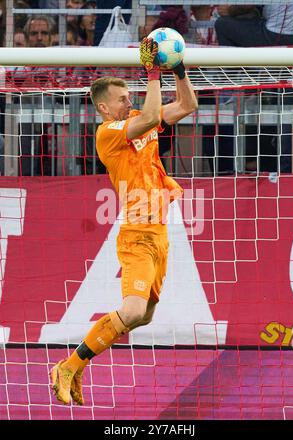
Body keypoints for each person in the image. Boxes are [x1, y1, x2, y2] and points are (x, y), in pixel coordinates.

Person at [50, 37, 198, 405]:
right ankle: (68, 365)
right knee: (132, 310)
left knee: (143, 317)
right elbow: (149, 116)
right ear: (103, 106)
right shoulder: (108, 133)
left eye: (130, 95)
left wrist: (177, 70)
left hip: (159, 233)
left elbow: (188, 104)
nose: (129, 101)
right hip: (136, 233)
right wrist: (152, 74)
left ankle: (76, 366)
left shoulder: (136, 121)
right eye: (122, 98)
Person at [215, 4, 293, 47]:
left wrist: (229, 10)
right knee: (254, 15)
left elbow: (247, 5)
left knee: (222, 24)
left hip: (276, 35)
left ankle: (232, 75)